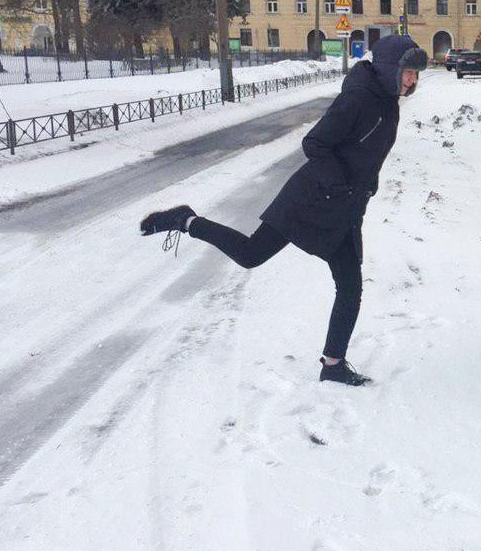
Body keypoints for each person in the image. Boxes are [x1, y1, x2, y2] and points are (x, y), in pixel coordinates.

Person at [139, 35, 429, 386]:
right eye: (408, 72)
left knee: (350, 287)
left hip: (344, 208)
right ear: (388, 69)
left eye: (415, 74)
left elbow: (364, 150)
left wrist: (368, 183)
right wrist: (342, 184)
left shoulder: (387, 102)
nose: (412, 80)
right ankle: (186, 221)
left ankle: (333, 364)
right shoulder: (358, 99)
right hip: (310, 199)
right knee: (250, 254)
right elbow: (315, 144)